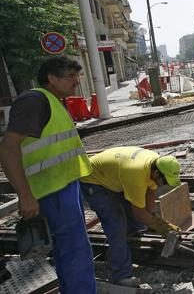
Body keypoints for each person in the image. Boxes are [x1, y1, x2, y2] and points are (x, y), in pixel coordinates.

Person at [0, 56, 96, 293]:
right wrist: (25, 195)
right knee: (75, 252)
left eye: (77, 76)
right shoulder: (35, 101)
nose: (76, 82)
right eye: (70, 76)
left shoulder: (53, 101)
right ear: (52, 78)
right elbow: (8, 147)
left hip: (63, 186)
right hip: (50, 191)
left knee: (71, 251)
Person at [80, 146, 182, 287]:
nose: (164, 185)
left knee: (137, 224)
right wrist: (162, 226)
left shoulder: (154, 164)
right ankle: (120, 275)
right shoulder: (137, 174)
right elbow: (139, 213)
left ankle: (131, 255)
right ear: (157, 174)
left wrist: (151, 220)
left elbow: (151, 193)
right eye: (165, 182)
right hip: (93, 180)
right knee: (117, 226)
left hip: (115, 177)